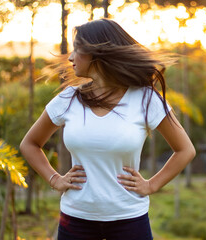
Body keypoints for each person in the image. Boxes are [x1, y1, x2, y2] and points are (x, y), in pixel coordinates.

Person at [20, 18, 195, 240]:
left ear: (97, 54)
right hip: (75, 220)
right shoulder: (68, 99)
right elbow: (30, 144)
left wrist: (151, 185)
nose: (71, 57)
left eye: (77, 49)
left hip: (129, 220)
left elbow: (185, 150)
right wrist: (54, 179)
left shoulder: (145, 99)